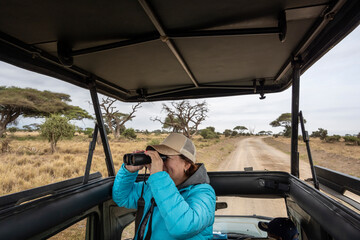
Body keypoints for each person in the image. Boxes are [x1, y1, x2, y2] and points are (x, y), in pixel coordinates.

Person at [112, 133, 216, 240]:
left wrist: (158, 177)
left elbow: (183, 228)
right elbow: (122, 198)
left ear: (186, 164)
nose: (160, 163)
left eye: (165, 158)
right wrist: (128, 171)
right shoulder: (152, 187)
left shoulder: (203, 193)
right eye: (159, 157)